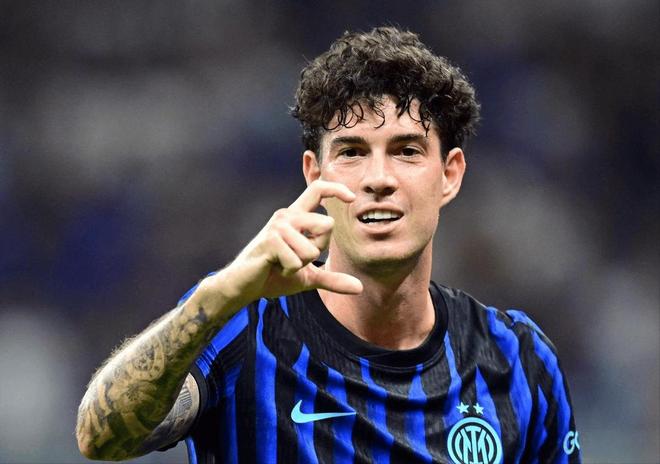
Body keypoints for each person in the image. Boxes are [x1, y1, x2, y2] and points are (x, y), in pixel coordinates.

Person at [76, 26, 581, 463]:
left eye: (406, 151)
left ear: (449, 175)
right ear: (314, 175)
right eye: (352, 152)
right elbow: (101, 439)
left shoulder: (517, 358)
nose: (379, 178)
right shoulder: (241, 324)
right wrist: (220, 293)